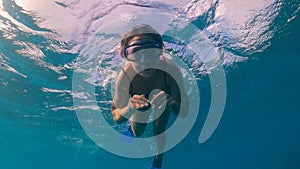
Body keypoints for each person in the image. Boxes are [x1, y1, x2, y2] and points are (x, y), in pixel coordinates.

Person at [111, 25, 189, 169]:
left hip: (163, 101)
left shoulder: (171, 70)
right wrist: (129, 107)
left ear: (161, 51)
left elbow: (183, 112)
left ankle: (158, 159)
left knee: (159, 132)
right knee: (138, 132)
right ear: (125, 55)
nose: (145, 60)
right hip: (138, 105)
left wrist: (171, 102)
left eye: (151, 51)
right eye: (136, 52)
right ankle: (131, 130)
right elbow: (116, 116)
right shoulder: (125, 75)